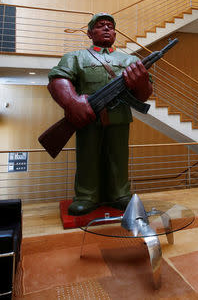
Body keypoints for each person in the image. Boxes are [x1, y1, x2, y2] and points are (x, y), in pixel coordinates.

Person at [47, 12, 153, 216]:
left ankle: (120, 194)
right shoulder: (76, 57)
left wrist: (141, 83)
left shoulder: (130, 59)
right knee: (87, 157)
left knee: (119, 157)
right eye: (100, 25)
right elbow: (58, 79)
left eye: (111, 26)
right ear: (89, 33)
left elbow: (145, 94)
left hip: (119, 117)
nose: (107, 28)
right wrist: (72, 102)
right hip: (88, 117)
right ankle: (86, 196)